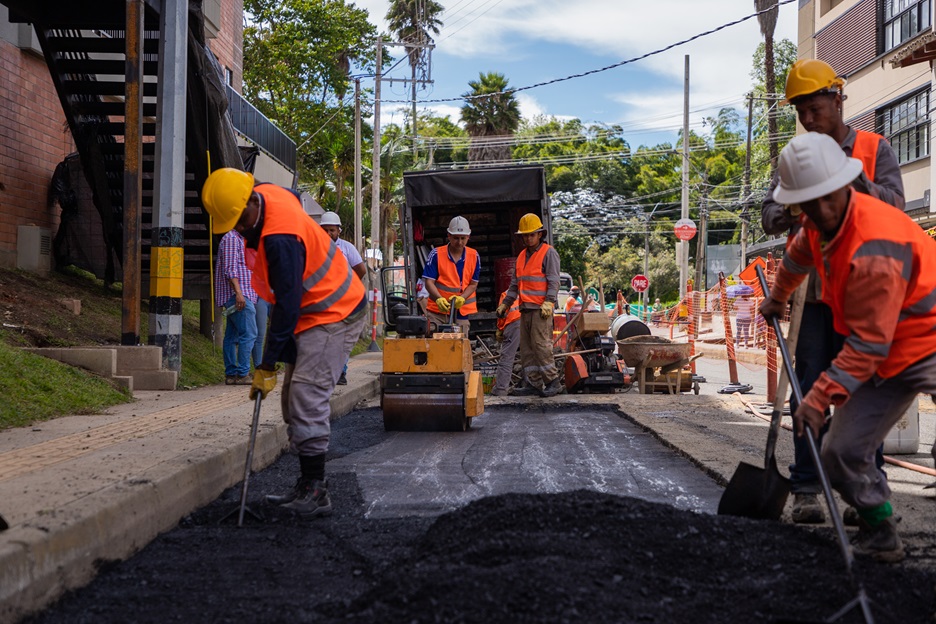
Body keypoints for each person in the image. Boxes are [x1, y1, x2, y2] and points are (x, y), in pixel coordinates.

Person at [759, 132, 936, 563]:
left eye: (826, 198)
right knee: (840, 452)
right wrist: (778, 297)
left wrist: (819, 398)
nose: (820, 212)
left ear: (846, 185)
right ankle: (880, 530)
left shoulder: (875, 244)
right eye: (809, 204)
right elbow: (797, 257)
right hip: (887, 356)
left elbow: (868, 344)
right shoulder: (818, 229)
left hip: (928, 342)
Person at [761, 58, 905, 525]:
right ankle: (806, 487)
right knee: (807, 388)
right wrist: (786, 211)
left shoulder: (872, 148)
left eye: (815, 107)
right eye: (800, 111)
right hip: (812, 296)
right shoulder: (797, 156)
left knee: (861, 391)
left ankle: (865, 494)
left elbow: (896, 206)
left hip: (861, 291)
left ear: (837, 99)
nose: (808, 119)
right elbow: (769, 212)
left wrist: (852, 180)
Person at [201, 168, 367, 519]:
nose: (239, 230)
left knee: (306, 394)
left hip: (336, 311)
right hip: (312, 311)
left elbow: (286, 306)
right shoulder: (266, 193)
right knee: (293, 397)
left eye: (239, 221)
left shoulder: (279, 238)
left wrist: (266, 364)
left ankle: (317, 490)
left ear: (251, 202)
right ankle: (307, 483)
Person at [496, 213, 562, 398]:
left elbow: (553, 281)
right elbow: (514, 286)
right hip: (525, 310)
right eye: (524, 235)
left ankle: (553, 381)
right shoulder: (521, 257)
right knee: (527, 350)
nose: (527, 238)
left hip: (541, 310)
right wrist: (506, 305)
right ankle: (533, 383)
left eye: (531, 234)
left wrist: (549, 301)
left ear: (540, 234)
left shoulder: (548, 253)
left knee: (541, 346)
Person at [320, 211, 367, 385]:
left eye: (331, 230)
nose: (328, 234)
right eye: (325, 230)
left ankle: (340, 372)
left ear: (338, 230)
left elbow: (361, 269)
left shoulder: (347, 248)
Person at [423, 216, 480, 332]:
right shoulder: (436, 254)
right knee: (436, 346)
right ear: (449, 235)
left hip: (461, 313)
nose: (459, 242)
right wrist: (439, 299)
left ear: (468, 237)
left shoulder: (474, 256)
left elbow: (473, 284)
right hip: (437, 312)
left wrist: (462, 298)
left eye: (463, 238)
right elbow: (429, 282)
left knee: (459, 347)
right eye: (456, 238)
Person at [214, 229, 257, 385]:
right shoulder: (232, 239)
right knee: (250, 333)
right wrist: (239, 293)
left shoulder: (241, 239)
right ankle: (243, 373)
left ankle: (231, 374)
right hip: (239, 295)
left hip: (242, 294)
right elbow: (230, 270)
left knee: (232, 337)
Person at [244, 246, 271, 373]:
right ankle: (259, 367)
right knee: (260, 334)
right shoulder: (253, 250)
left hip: (277, 294)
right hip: (261, 296)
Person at [493, 291, 522, 397]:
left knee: (507, 357)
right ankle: (533, 385)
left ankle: (501, 389)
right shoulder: (529, 291)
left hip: (514, 323)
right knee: (531, 356)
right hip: (530, 320)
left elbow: (502, 313)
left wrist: (500, 329)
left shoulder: (506, 294)